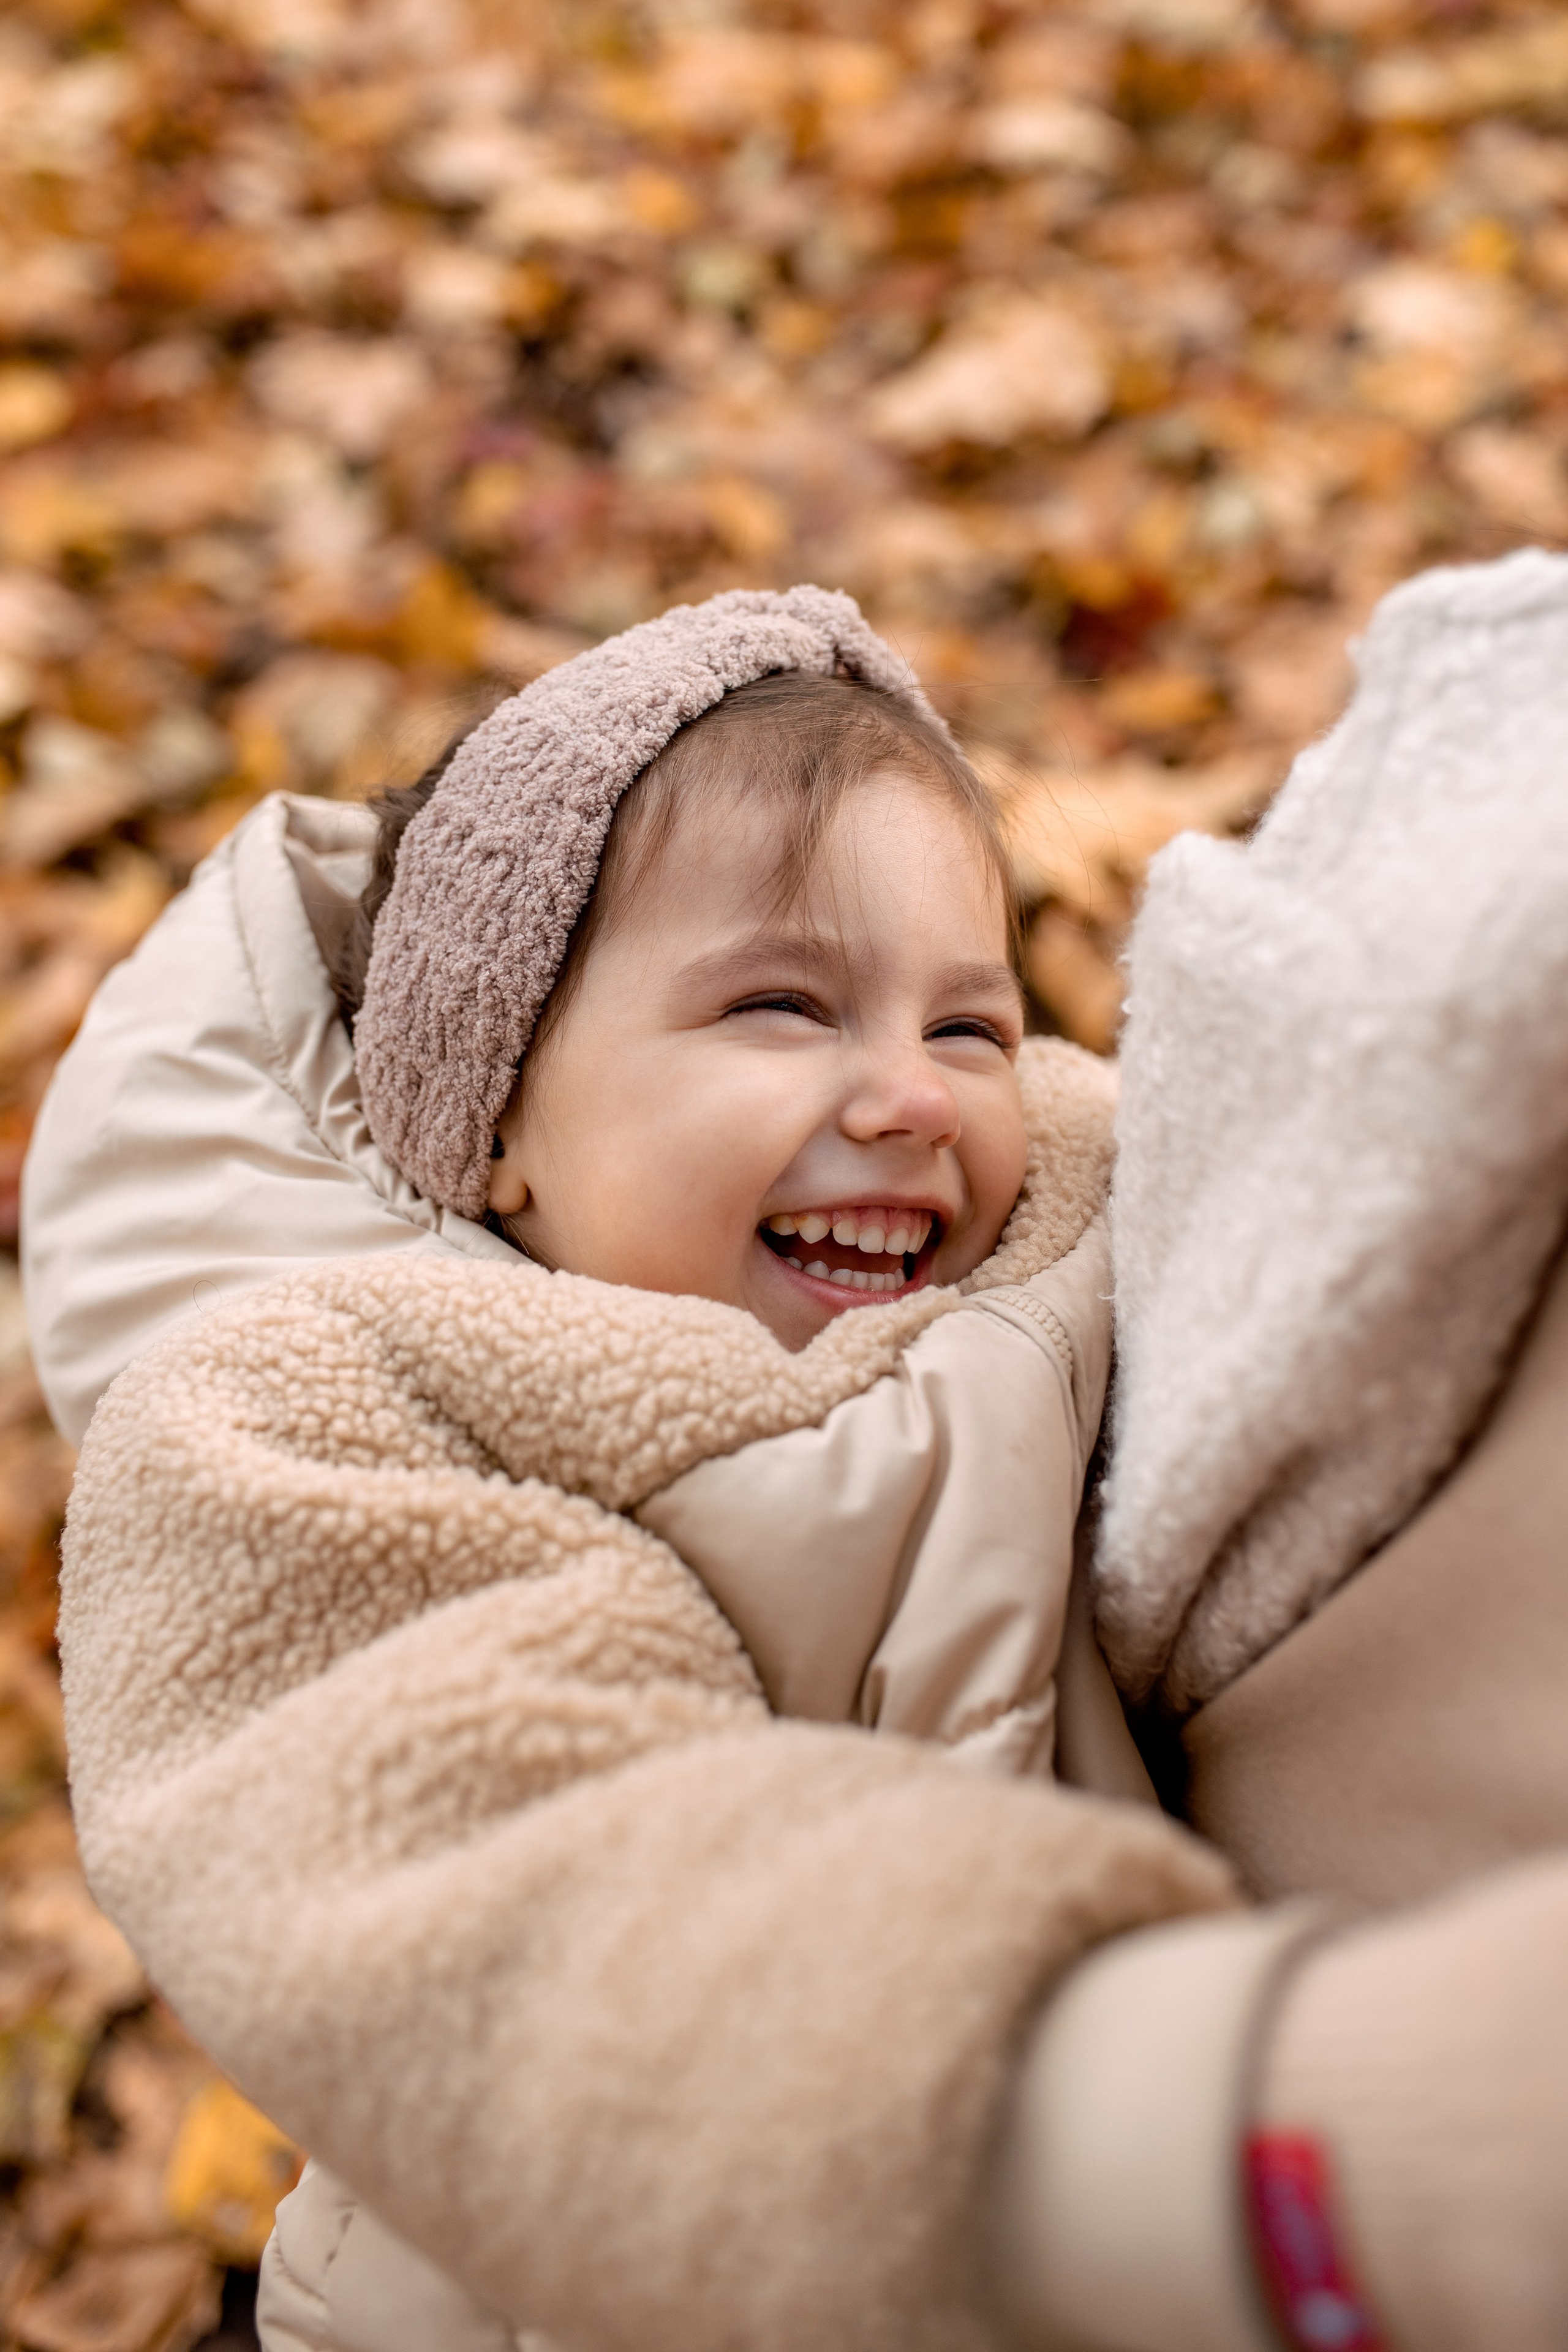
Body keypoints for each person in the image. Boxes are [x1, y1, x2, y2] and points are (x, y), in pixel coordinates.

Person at [27, 560, 1568, 2352]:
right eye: (782, 1007)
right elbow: (518, 1898)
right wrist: (1221, 2128)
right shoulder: (317, 1421)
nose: (909, 1096)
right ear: (499, 1113)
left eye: (968, 1024)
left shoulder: (1056, 1240)